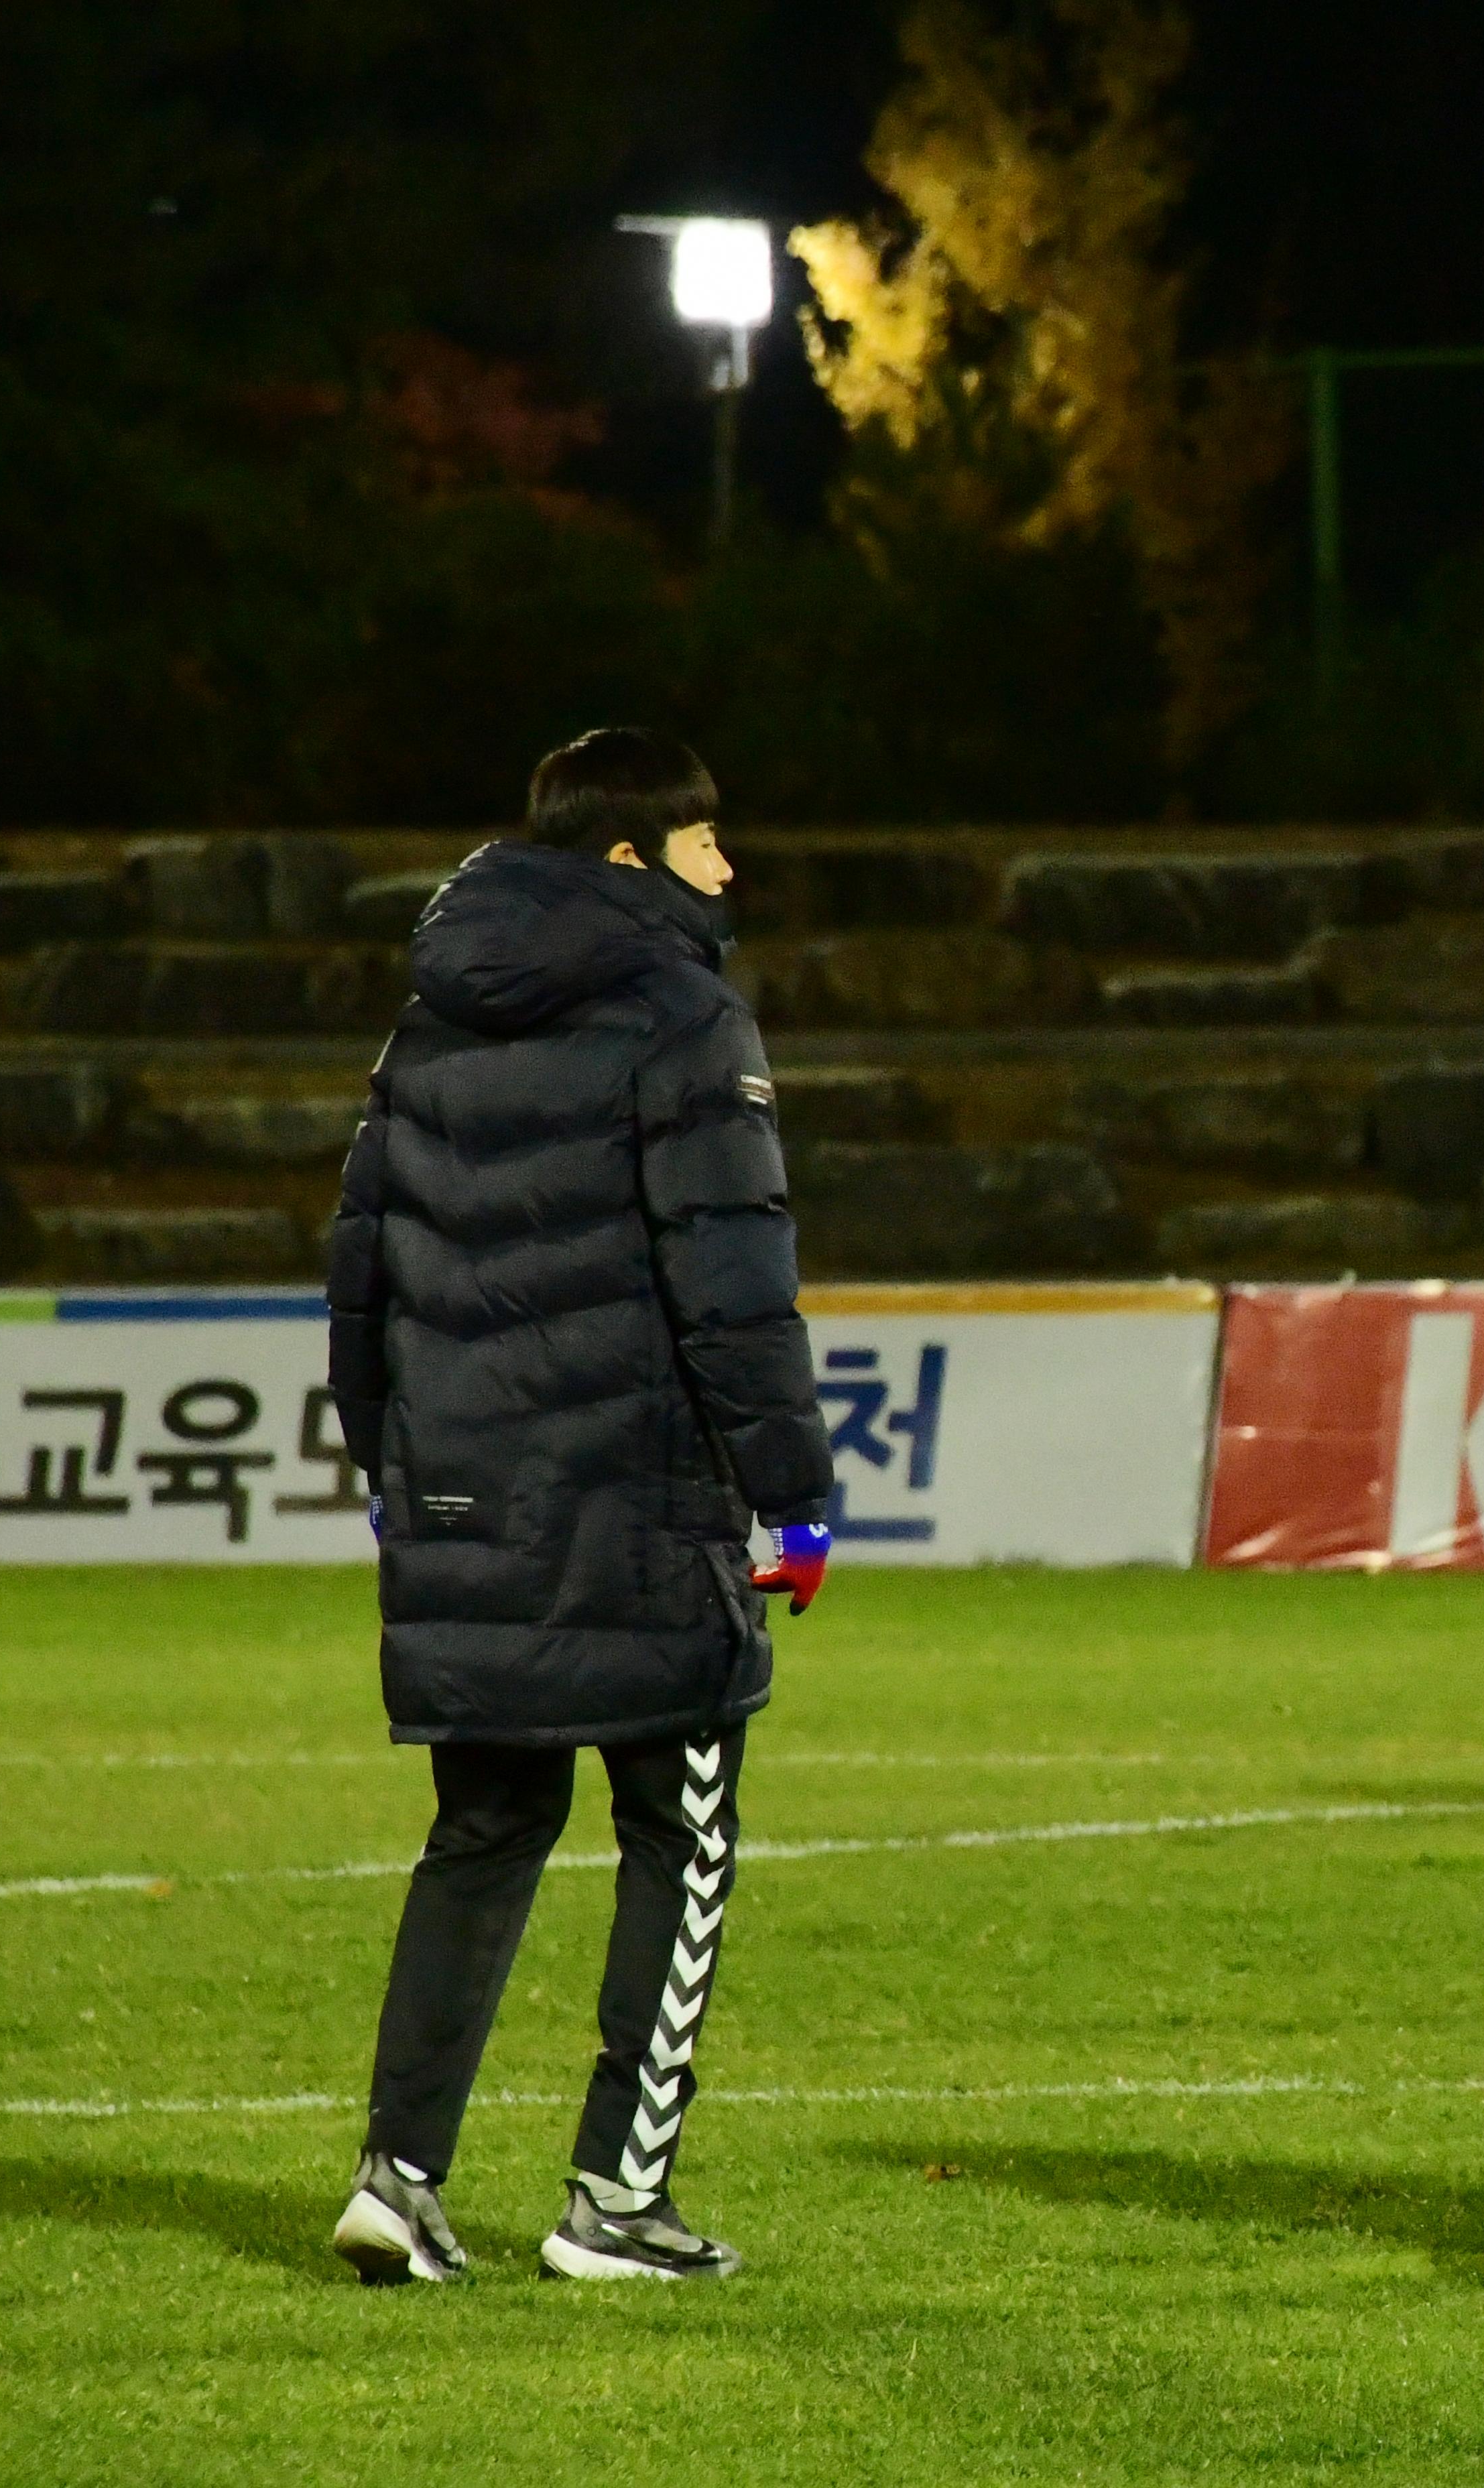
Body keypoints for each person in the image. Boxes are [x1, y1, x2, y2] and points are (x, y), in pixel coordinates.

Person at [322, 727, 835, 2286]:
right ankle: (617, 2195)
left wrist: (394, 1473)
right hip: (642, 1506)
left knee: (481, 1828)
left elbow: (361, 1273)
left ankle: (394, 2175)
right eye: (704, 842)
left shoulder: (428, 1021)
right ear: (630, 858)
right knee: (681, 1829)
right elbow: (733, 1283)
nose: (727, 868)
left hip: (465, 1494)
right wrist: (794, 1499)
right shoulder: (684, 1015)